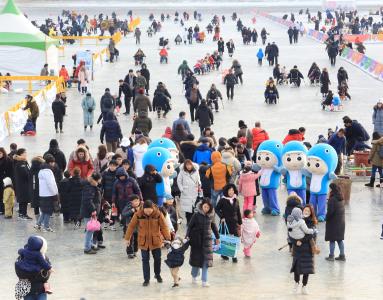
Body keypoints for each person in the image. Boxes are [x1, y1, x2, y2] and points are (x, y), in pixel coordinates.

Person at [125, 200, 171, 286]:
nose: (148, 213)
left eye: (150, 211)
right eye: (146, 211)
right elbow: (131, 226)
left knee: (157, 258)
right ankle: (146, 279)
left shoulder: (158, 214)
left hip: (156, 240)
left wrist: (168, 238)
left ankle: (157, 275)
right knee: (145, 260)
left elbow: (164, 226)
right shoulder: (138, 214)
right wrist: (127, 238)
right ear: (143, 209)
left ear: (153, 208)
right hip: (143, 241)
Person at [186, 198, 220, 287]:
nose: (206, 209)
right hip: (196, 241)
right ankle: (194, 276)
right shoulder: (196, 215)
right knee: (196, 261)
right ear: (201, 206)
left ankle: (204, 281)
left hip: (207, 240)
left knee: (206, 261)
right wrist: (187, 236)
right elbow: (190, 226)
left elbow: (214, 226)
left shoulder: (211, 216)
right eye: (205, 207)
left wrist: (217, 237)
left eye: (208, 207)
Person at [288, 207, 315, 295]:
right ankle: (296, 284)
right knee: (297, 268)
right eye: (305, 210)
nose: (306, 212)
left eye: (308, 211)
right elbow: (290, 234)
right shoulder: (294, 221)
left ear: (311, 213)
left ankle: (304, 286)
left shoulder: (312, 223)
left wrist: (301, 240)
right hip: (297, 249)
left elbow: (311, 235)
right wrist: (296, 241)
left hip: (307, 249)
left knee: (306, 268)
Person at [215, 183, 242, 263]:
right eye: (229, 190)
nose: (231, 192)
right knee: (225, 239)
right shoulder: (222, 200)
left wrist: (240, 222)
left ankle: (234, 255)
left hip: (235, 222)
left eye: (232, 190)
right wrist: (221, 217)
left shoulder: (236, 200)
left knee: (234, 239)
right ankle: (224, 253)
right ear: (226, 191)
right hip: (225, 222)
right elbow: (216, 209)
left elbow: (238, 212)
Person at [34, 156, 58, 232]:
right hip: (49, 194)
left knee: (44, 211)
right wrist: (55, 193)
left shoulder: (41, 171)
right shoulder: (48, 172)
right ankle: (46, 227)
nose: (54, 164)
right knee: (48, 211)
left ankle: (38, 224)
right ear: (50, 163)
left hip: (42, 194)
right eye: (53, 162)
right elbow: (51, 184)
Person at [81, 172, 102, 254]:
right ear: (97, 179)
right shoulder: (89, 187)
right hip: (89, 212)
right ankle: (87, 248)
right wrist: (93, 210)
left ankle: (91, 245)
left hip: (91, 212)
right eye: (100, 179)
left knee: (92, 229)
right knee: (89, 230)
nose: (101, 180)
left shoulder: (93, 186)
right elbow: (88, 200)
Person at [325, 183, 346, 261]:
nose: (328, 190)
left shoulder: (332, 199)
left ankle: (331, 256)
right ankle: (342, 255)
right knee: (340, 239)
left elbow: (330, 212)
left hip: (333, 223)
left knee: (332, 240)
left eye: (329, 188)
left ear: (332, 190)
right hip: (341, 223)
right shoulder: (341, 198)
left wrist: (326, 218)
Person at [177, 160, 201, 224]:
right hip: (186, 193)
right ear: (185, 165)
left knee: (194, 209)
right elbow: (179, 181)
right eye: (187, 165)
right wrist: (182, 189)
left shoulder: (196, 171)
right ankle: (189, 223)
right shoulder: (182, 172)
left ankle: (193, 223)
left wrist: (199, 185)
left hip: (194, 192)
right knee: (187, 210)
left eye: (189, 165)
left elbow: (198, 179)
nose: (188, 166)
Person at [14, 148, 33, 220]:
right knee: (24, 199)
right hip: (23, 184)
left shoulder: (23, 162)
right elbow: (25, 174)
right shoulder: (21, 163)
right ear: (21, 154)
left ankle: (22, 213)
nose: (26, 154)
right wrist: (30, 176)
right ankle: (23, 214)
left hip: (23, 184)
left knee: (23, 200)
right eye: (25, 152)